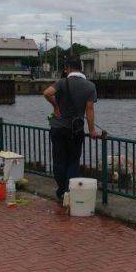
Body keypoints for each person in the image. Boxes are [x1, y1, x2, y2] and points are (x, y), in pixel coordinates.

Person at [43, 57, 99, 200]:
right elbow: (90, 109)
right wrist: (92, 129)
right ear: (81, 68)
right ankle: (70, 192)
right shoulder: (90, 86)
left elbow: (46, 93)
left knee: (59, 160)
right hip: (76, 130)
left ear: (68, 68)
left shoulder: (62, 82)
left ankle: (61, 190)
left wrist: (56, 106)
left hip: (58, 128)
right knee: (73, 161)